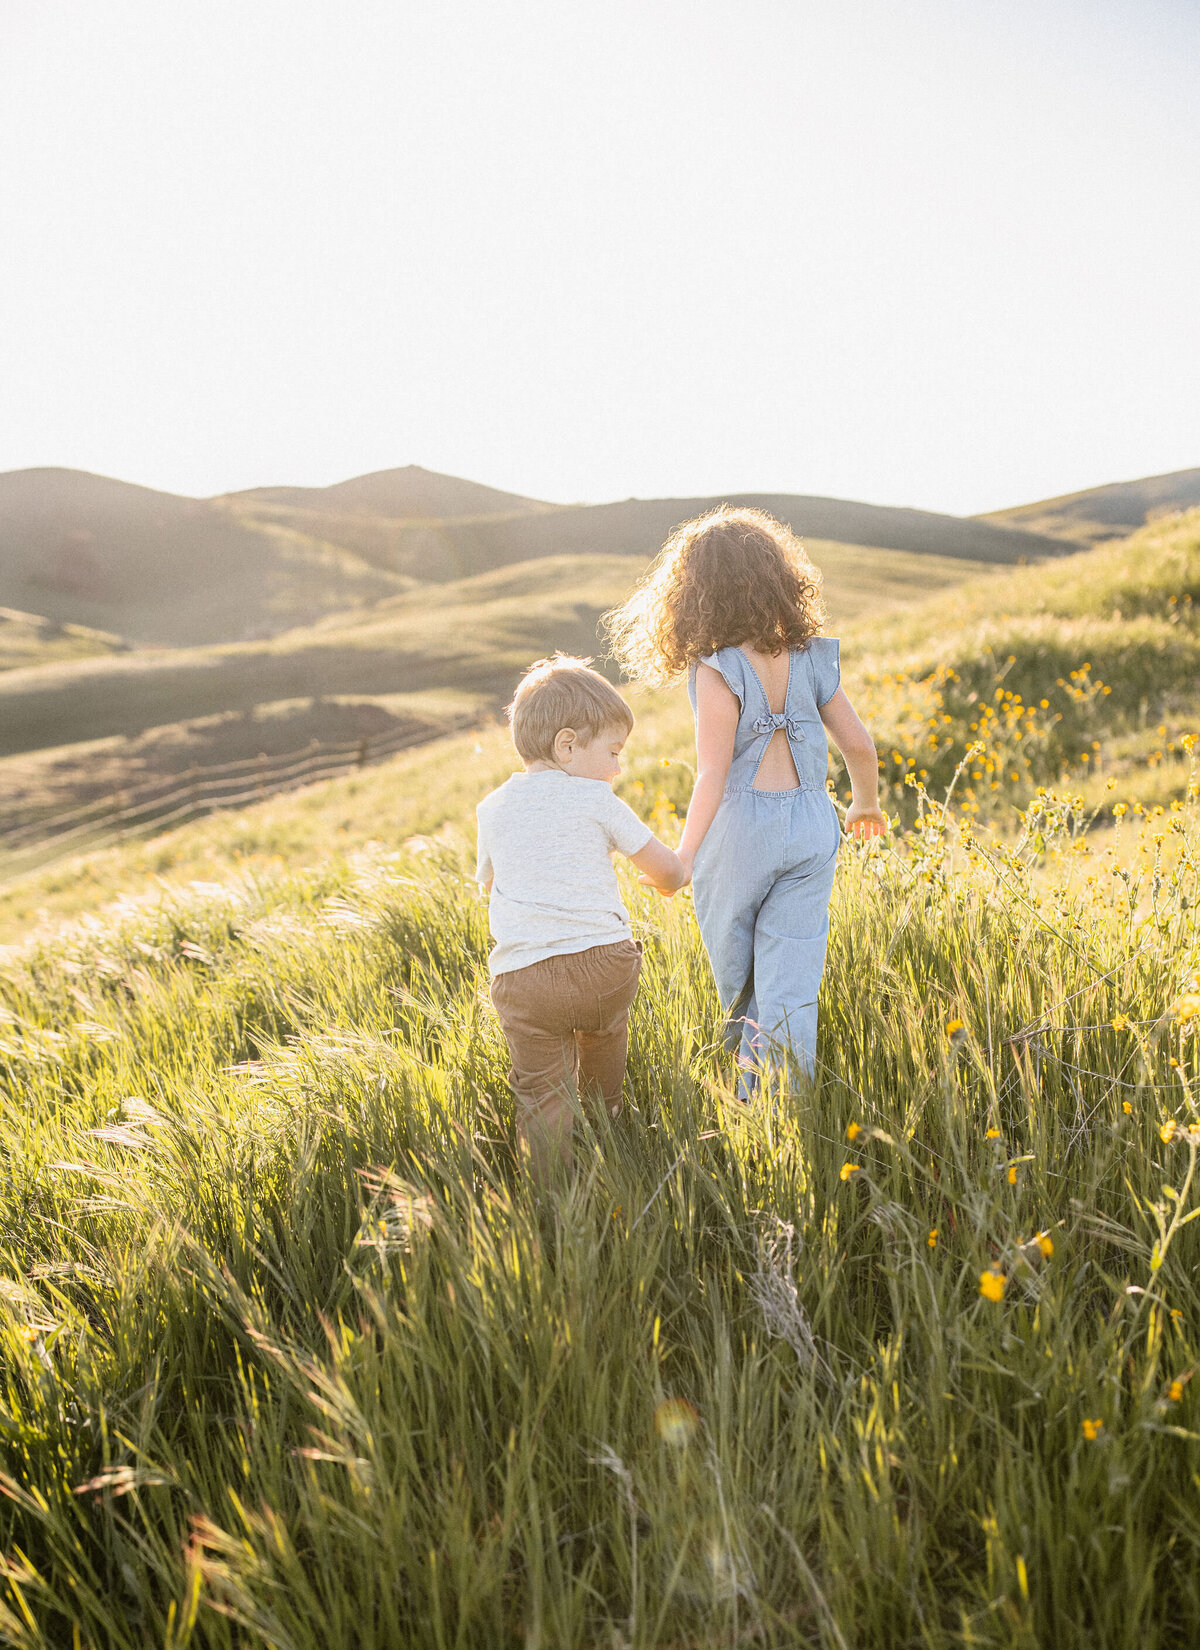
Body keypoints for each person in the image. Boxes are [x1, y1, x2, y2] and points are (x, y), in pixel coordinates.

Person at [604, 506, 886, 1091]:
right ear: (781, 578)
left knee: (740, 982)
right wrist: (864, 805)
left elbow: (711, 773)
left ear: (694, 595)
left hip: (739, 835)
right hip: (811, 824)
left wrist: (681, 859)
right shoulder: (812, 657)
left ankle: (750, 1098)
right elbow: (859, 745)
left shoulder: (716, 669)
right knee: (791, 981)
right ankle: (787, 1102)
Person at [476, 654, 685, 1180]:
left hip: (524, 978)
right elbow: (669, 870)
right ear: (567, 745)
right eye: (613, 752)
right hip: (603, 967)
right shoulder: (597, 798)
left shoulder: (492, 808)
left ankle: (550, 1201)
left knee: (541, 1093)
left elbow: (489, 885)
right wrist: (666, 882)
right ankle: (606, 1125)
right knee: (604, 1035)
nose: (617, 768)